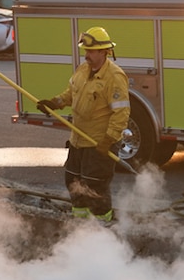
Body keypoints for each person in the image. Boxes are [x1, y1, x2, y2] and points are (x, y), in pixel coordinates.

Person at [36, 26, 131, 222]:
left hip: (99, 143)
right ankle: (79, 224)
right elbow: (71, 94)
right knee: (73, 181)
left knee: (94, 187)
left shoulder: (114, 76)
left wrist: (109, 139)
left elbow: (121, 113)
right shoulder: (82, 69)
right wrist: (55, 103)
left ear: (104, 51)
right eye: (85, 50)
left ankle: (102, 226)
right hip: (78, 140)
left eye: (91, 51)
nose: (86, 54)